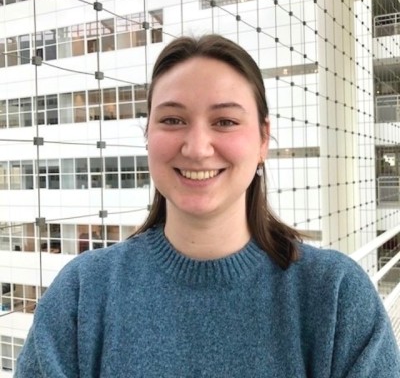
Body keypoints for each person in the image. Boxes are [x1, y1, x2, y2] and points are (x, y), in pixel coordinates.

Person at [16, 35, 400, 377]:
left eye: (225, 121)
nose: (197, 148)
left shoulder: (336, 296)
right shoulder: (82, 293)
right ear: (147, 135)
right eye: (172, 119)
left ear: (263, 139)